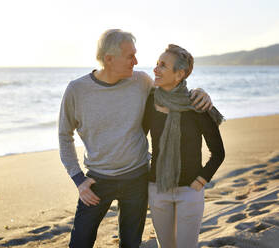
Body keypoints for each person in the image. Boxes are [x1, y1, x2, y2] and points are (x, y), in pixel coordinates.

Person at [58, 29, 212, 248]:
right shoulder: (77, 90)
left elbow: (172, 91)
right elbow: (64, 136)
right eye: (130, 56)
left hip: (137, 179)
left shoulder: (140, 81)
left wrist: (200, 92)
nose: (137, 61)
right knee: (80, 242)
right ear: (109, 59)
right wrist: (78, 180)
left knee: (130, 244)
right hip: (97, 181)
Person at [142, 44, 225, 248]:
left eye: (163, 65)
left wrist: (201, 180)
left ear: (179, 74)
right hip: (158, 188)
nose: (155, 69)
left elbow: (218, 152)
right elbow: (137, 139)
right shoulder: (150, 101)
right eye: (156, 63)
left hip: (189, 191)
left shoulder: (197, 105)